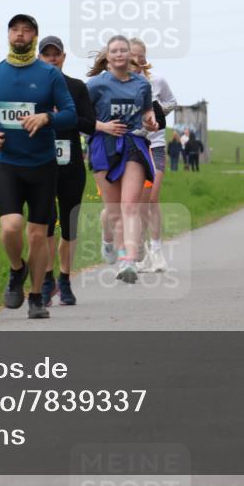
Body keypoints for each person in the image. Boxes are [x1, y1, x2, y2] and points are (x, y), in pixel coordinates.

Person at [0, 14, 77, 319]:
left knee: (38, 236)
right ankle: (17, 269)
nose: (20, 34)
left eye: (26, 30)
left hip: (43, 165)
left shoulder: (49, 75)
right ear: (7, 35)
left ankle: (35, 298)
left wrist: (47, 118)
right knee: (11, 227)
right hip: (9, 164)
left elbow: (70, 113)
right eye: (15, 30)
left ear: (34, 36)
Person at [86, 35, 158, 284]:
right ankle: (108, 240)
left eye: (123, 51)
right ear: (107, 55)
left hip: (133, 145)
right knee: (114, 210)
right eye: (114, 50)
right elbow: (80, 119)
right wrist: (103, 126)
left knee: (130, 206)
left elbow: (147, 111)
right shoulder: (95, 85)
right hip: (103, 146)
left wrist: (150, 120)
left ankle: (127, 260)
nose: (118, 54)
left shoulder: (141, 84)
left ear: (130, 55)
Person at [37, 35, 96, 306]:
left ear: (63, 57)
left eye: (56, 54)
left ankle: (65, 278)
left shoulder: (76, 87)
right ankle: (47, 279)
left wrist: (65, 115)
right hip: (41, 163)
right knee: (46, 224)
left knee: (68, 226)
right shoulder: (33, 87)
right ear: (39, 58)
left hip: (71, 164)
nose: (52, 58)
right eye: (46, 54)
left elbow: (89, 123)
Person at [129, 38, 176, 273]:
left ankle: (157, 250)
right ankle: (143, 251)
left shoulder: (157, 80)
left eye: (140, 56)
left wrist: (157, 112)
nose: (137, 60)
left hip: (155, 146)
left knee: (152, 199)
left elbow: (172, 102)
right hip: (133, 146)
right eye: (132, 56)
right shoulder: (121, 84)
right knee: (138, 204)